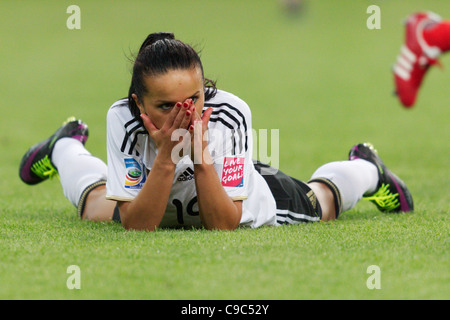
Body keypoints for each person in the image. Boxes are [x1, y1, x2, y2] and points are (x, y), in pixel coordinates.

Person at [19, 32, 413, 232]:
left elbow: (223, 224)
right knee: (95, 207)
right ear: (140, 105)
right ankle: (65, 146)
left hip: (238, 195)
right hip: (162, 192)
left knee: (321, 203)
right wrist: (166, 159)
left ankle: (367, 169)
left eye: (192, 99)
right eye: (165, 107)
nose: (184, 114)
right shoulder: (123, 117)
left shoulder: (229, 114)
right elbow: (138, 225)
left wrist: (201, 154)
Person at [393, 11, 450, 108]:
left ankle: (425, 39)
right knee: (407, 99)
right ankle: (422, 41)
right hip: (420, 45)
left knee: (408, 99)